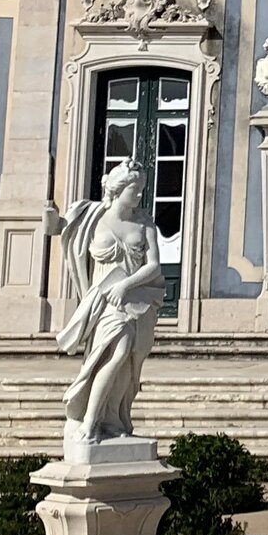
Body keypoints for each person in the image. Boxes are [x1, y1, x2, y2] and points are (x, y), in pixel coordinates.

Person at [41, 163, 167, 457]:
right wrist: (50, 218)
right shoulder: (91, 217)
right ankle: (89, 421)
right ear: (118, 190)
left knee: (125, 364)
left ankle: (111, 420)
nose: (139, 195)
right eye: (134, 190)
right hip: (103, 302)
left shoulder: (145, 225)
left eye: (141, 190)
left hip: (134, 300)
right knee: (113, 355)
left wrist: (126, 285)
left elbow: (154, 266)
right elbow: (61, 230)